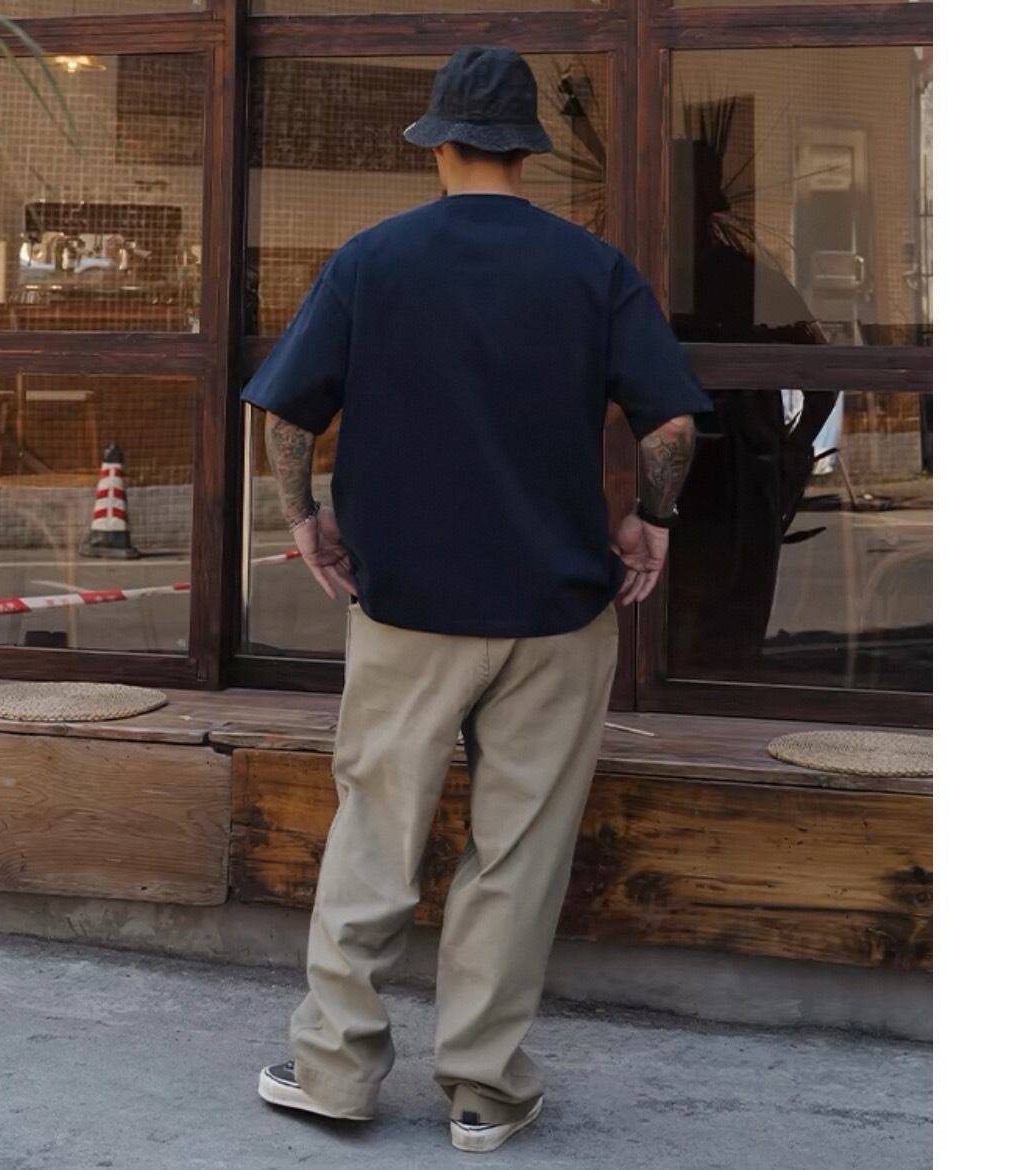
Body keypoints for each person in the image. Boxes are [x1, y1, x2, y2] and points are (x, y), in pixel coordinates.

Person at [241, 45, 711, 1154]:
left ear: (439, 144)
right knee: (518, 855)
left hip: (406, 608)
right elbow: (669, 427)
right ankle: (484, 1093)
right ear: (526, 152)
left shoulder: (372, 260)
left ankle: (336, 1071)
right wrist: (650, 519)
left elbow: (286, 415)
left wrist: (303, 520)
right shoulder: (592, 268)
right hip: (556, 611)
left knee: (374, 834)